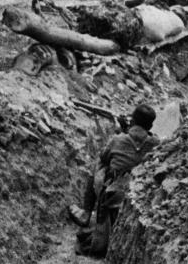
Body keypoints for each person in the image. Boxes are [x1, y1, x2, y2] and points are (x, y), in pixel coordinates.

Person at [68, 104, 160, 257]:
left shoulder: (118, 139)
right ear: (150, 125)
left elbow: (105, 156)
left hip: (113, 192)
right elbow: (142, 143)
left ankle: (86, 212)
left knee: (98, 164)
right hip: (136, 191)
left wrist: (122, 132)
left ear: (133, 120)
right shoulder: (155, 143)